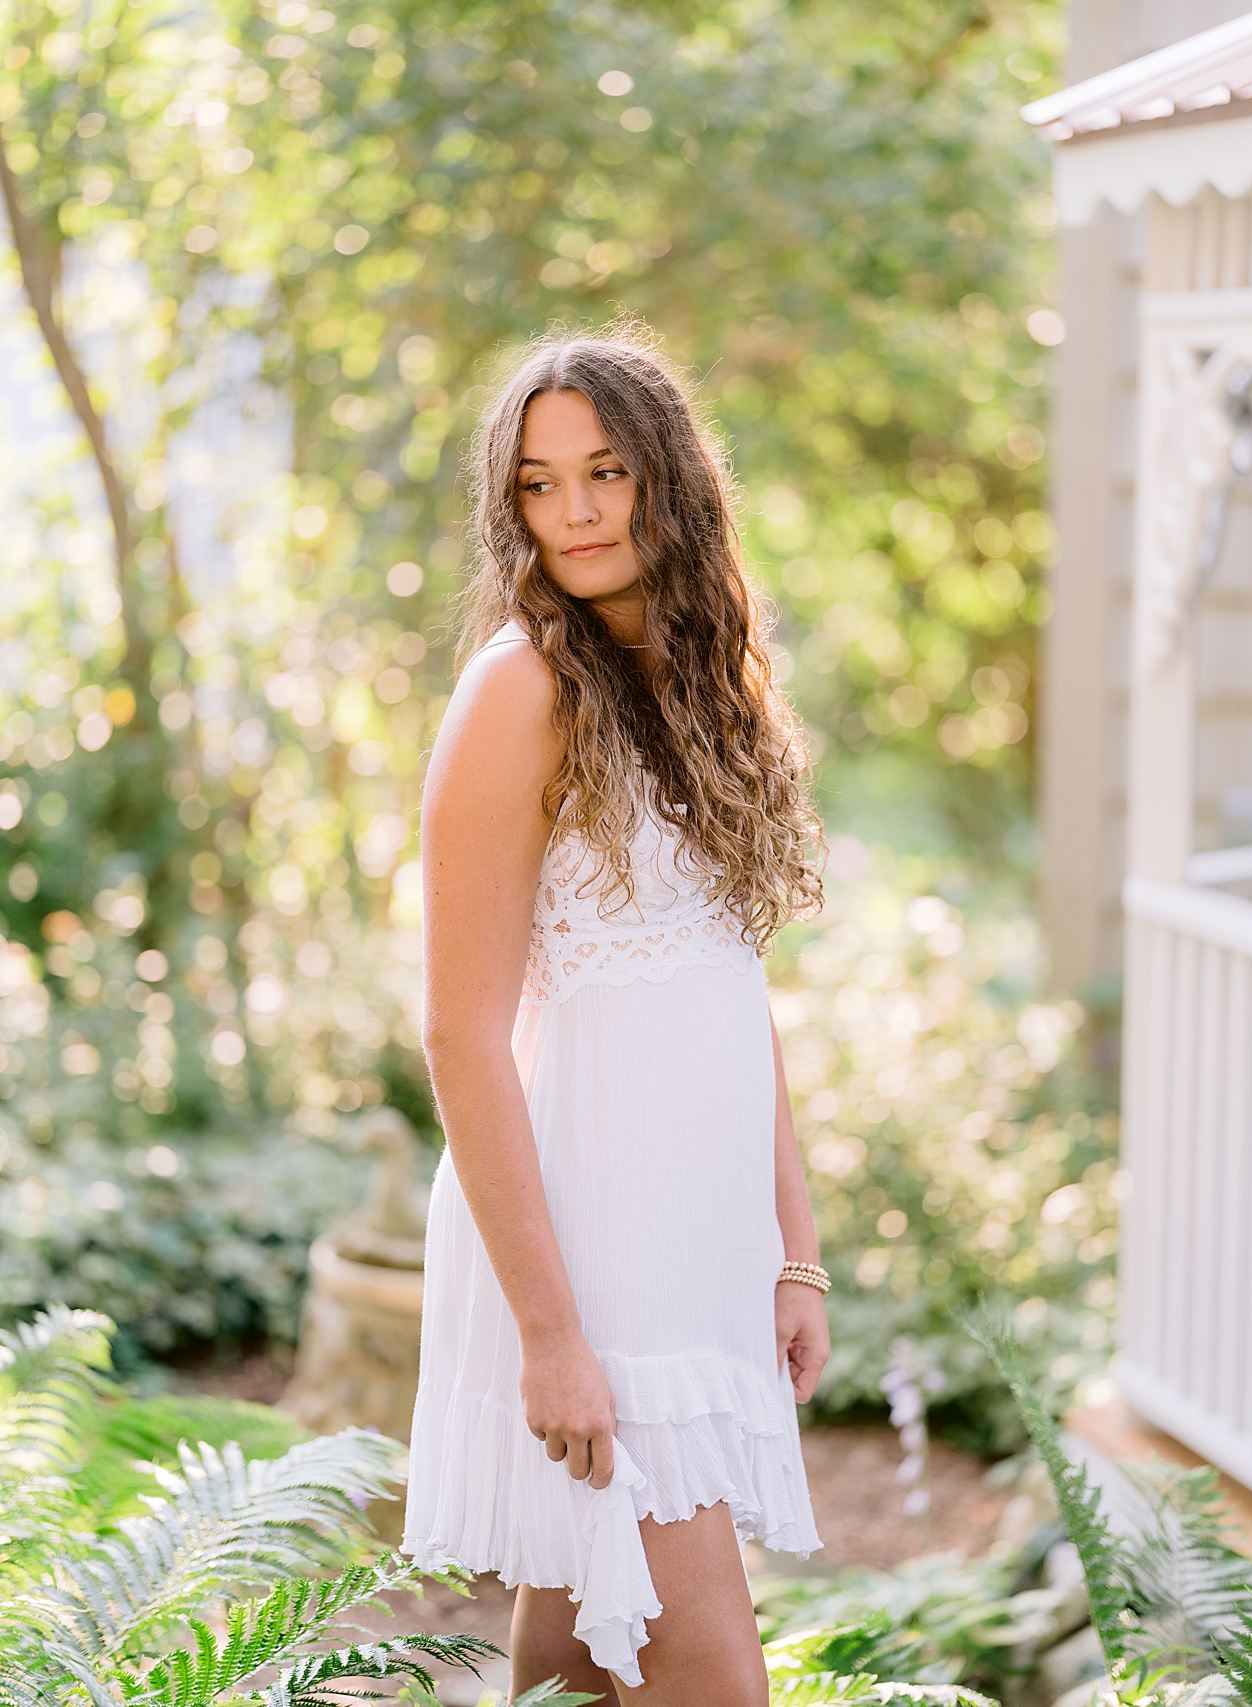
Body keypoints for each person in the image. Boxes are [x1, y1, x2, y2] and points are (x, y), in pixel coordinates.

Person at [402, 326, 831, 1707]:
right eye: (539, 484)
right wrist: (548, 1333)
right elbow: (460, 1034)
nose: (575, 512)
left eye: (605, 473)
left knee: (582, 1651)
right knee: (706, 1666)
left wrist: (795, 1250)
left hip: (701, 1244)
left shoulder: (713, 688)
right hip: (590, 1256)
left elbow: (730, 985)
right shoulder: (517, 691)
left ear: (670, 484)